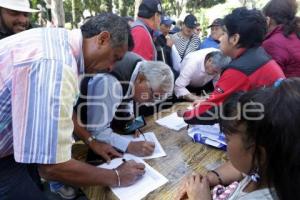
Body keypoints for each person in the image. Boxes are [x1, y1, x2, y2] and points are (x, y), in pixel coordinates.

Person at [0, 13, 145, 199]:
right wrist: (116, 176)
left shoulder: (64, 46)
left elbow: (61, 110)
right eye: (115, 57)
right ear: (102, 39)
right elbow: (50, 167)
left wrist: (91, 141)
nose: (111, 67)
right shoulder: (57, 66)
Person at [177, 78, 300, 200]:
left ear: (258, 153)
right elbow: (241, 170)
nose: (225, 142)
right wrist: (211, 177)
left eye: (227, 139)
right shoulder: (273, 169)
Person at [180, 7, 285, 125]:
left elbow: (208, 111)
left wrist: (185, 114)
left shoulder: (239, 70)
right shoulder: (260, 56)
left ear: (234, 39)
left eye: (224, 33)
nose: (220, 38)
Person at [75, 52, 174, 159]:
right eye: (152, 95)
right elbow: (97, 131)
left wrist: (130, 118)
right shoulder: (110, 83)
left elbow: (128, 94)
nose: (150, 102)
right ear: (141, 79)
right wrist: (129, 146)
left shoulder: (142, 68)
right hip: (75, 126)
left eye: (157, 99)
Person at [262, 0, 300, 78]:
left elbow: (270, 80)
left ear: (268, 20)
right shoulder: (294, 34)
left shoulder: (271, 43)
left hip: (289, 89)